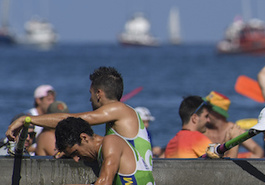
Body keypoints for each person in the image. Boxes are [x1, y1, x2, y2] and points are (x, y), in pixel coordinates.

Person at [6, 67, 155, 175]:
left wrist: (27, 120)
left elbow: (72, 120)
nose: (89, 99)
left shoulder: (118, 109)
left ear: (98, 93)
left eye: (90, 93)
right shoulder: (118, 116)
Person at [202, 91, 264, 158]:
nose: (203, 112)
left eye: (207, 109)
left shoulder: (233, 129)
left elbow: (258, 150)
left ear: (217, 112)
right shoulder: (201, 128)